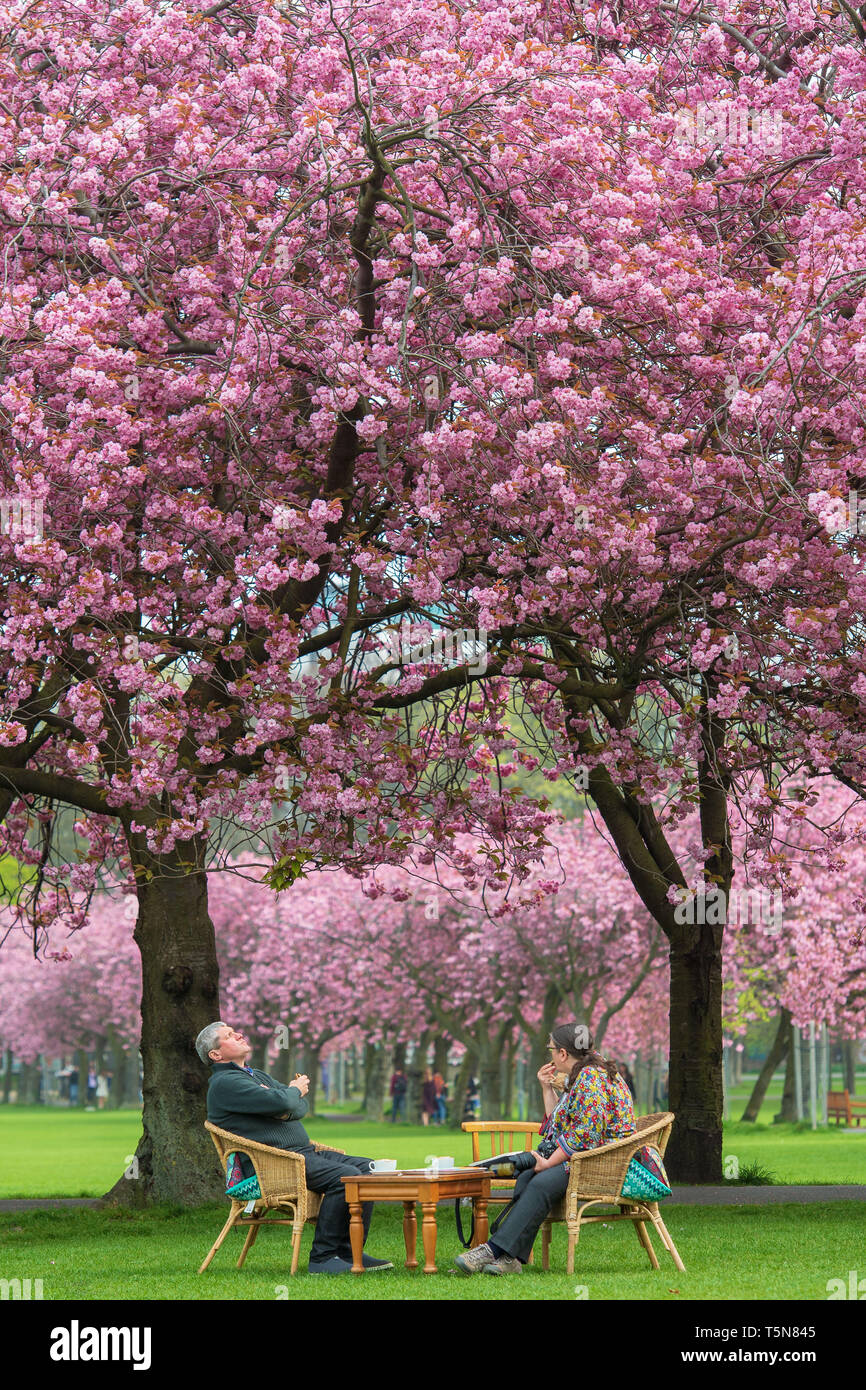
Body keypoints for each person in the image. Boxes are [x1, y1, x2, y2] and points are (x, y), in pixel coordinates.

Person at [197, 1021, 393, 1276]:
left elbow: (298, 1106)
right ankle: (322, 1259)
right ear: (216, 1054)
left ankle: (349, 1252)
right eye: (230, 1036)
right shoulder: (225, 1083)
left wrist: (285, 1103)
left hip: (303, 1154)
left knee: (368, 1169)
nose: (239, 1035)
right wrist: (288, 1097)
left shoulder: (256, 1075)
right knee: (346, 1179)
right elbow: (289, 1098)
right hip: (275, 1165)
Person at [454, 1022, 635, 1277]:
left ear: (563, 1053)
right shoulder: (583, 1073)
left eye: (551, 1049)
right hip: (585, 1155)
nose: (549, 1054)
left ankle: (492, 1251)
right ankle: (510, 1259)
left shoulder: (591, 1077)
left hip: (604, 1161)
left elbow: (587, 1134)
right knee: (528, 1176)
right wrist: (546, 1087)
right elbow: (558, 1126)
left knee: (540, 1181)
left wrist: (549, 1163)